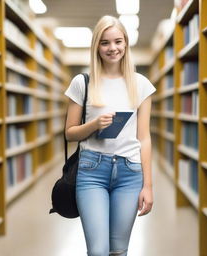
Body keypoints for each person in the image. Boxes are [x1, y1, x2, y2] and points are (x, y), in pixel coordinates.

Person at [65, 15, 156, 256]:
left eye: (118, 41)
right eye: (105, 42)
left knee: (118, 251)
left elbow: (144, 138)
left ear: (126, 43)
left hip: (130, 174)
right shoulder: (82, 82)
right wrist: (93, 124)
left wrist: (148, 185)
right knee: (98, 251)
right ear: (96, 46)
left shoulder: (141, 84)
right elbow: (70, 133)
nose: (112, 48)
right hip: (91, 170)